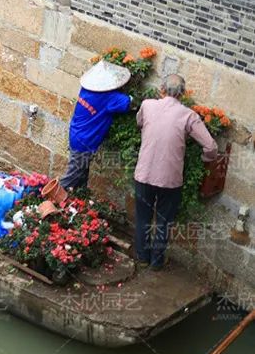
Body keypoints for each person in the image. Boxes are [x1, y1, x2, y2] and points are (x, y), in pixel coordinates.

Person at [133, 74, 217, 270]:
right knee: (163, 221)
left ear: (162, 89)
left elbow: (139, 122)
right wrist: (205, 159)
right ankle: (156, 262)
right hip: (170, 179)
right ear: (183, 93)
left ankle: (142, 258)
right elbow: (211, 147)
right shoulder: (189, 116)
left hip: (144, 173)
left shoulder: (147, 105)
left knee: (143, 217)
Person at [60, 60, 133, 190]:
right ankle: (44, 198)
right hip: (86, 141)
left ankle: (79, 197)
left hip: (76, 134)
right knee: (72, 177)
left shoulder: (85, 90)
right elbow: (129, 103)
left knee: (81, 175)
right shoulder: (109, 97)